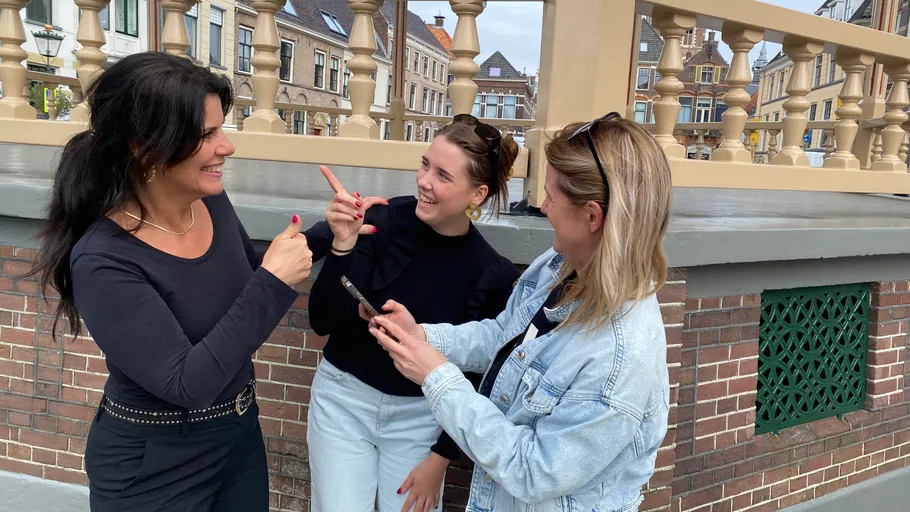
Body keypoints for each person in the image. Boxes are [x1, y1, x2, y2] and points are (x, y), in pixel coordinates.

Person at [29, 52, 320, 511]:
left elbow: (244, 281)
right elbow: (187, 383)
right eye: (206, 135)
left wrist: (327, 235)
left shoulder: (209, 202)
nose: (227, 146)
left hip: (237, 438)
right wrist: (272, 282)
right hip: (154, 465)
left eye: (222, 129)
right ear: (143, 147)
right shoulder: (104, 260)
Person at [368, 113, 672, 511]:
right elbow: (505, 335)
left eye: (551, 197)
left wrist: (436, 376)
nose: (542, 207)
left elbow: (534, 470)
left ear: (592, 216)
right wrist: (425, 336)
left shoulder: (620, 356)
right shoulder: (558, 265)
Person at [305, 114, 521, 512]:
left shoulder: (489, 271)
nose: (424, 181)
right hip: (343, 402)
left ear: (477, 194)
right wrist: (342, 247)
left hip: (422, 419)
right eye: (425, 165)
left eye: (443, 175)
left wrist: (441, 458)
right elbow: (321, 320)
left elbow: (481, 376)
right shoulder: (383, 220)